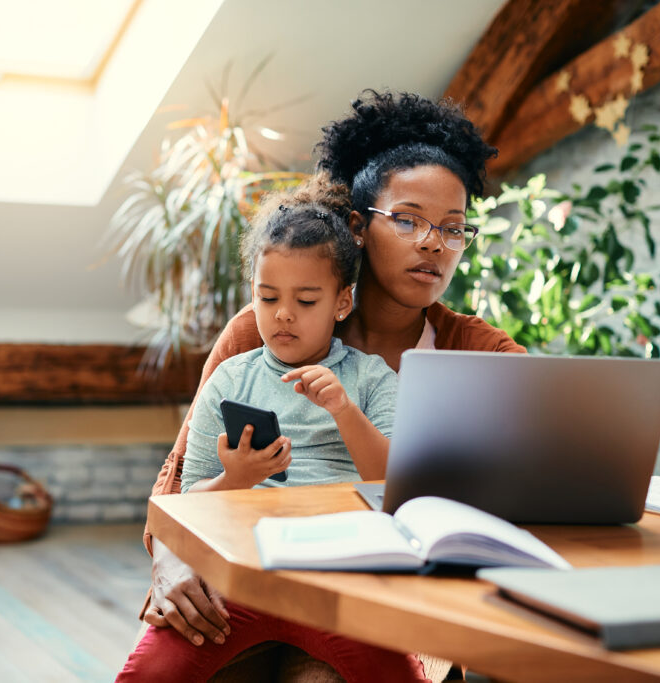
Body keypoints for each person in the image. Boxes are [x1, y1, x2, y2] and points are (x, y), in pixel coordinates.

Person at [141, 90, 526, 677]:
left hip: (389, 601)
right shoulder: (259, 334)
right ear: (358, 226)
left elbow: (513, 495)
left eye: (453, 229)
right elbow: (180, 485)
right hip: (247, 586)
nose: (433, 244)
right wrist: (170, 559)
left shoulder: (484, 354)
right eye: (408, 220)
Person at [118, 180, 426, 681]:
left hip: (336, 577)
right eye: (267, 297)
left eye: (306, 301)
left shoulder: (372, 379)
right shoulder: (231, 377)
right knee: (148, 673)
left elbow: (394, 487)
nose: (283, 314)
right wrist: (235, 478)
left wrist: (344, 411)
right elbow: (188, 497)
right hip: (238, 577)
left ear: (342, 303)